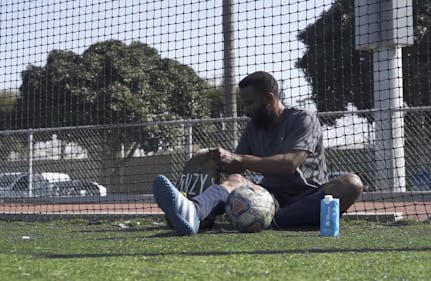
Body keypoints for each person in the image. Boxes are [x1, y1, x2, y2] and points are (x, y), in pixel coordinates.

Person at [152, 71, 363, 235]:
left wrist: (239, 158)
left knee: (351, 183)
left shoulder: (303, 119)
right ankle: (194, 212)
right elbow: (238, 166)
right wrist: (218, 161)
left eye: (249, 103)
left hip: (310, 196)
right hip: (270, 197)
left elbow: (289, 163)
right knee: (235, 179)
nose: (246, 110)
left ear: (269, 98)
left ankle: (274, 219)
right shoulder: (254, 127)